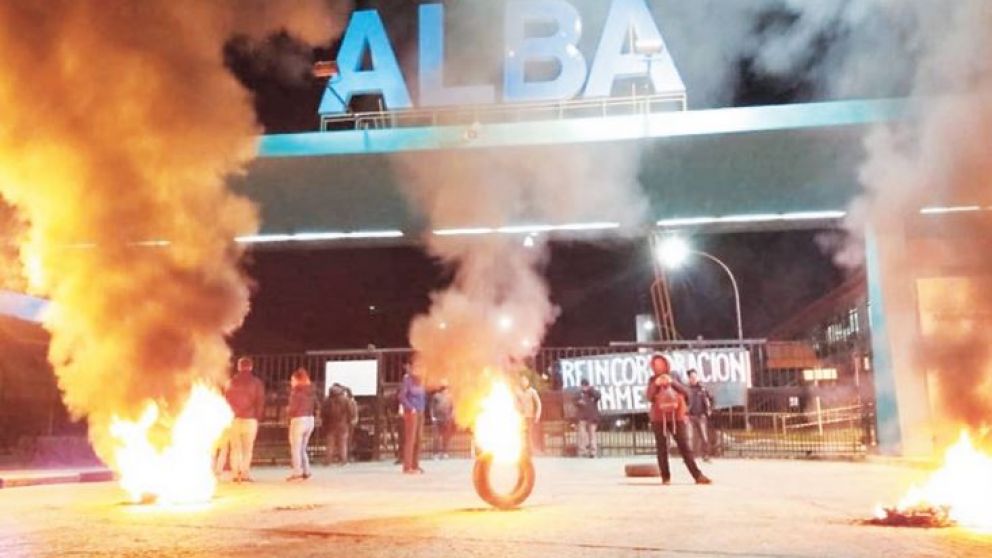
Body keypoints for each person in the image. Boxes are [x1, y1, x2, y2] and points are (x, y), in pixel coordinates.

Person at [645, 353, 711, 485]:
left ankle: (697, 475)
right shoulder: (652, 380)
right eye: (656, 365)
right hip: (659, 419)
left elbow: (687, 392)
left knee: (684, 446)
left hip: (677, 417)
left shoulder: (675, 376)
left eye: (661, 364)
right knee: (662, 448)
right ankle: (665, 477)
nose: (659, 367)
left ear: (666, 364)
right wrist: (656, 385)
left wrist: (672, 382)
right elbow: (649, 396)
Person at [225, 356, 266, 483]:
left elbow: (225, 399)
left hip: (234, 418)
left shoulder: (230, 382)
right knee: (248, 449)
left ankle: (235, 474)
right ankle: (245, 473)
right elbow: (260, 401)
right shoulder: (257, 383)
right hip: (250, 419)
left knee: (235, 448)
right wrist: (258, 417)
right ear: (251, 367)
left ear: (239, 367)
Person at [286, 368, 318, 481]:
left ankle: (297, 472)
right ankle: (306, 470)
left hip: (298, 420)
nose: (291, 382)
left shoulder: (296, 391)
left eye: (292, 380)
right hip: (310, 419)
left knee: (295, 447)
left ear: (298, 380)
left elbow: (293, 408)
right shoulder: (311, 391)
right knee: (303, 447)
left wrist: (288, 411)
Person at [398, 365, 427, 474]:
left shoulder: (422, 380)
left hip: (420, 411)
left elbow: (423, 397)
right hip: (411, 412)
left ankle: (416, 465)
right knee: (411, 439)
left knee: (419, 439)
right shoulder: (407, 380)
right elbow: (401, 396)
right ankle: (407, 466)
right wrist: (410, 408)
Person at [322, 383, 358, 465]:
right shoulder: (345, 399)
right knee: (343, 444)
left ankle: (328, 461)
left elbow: (323, 413)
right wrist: (349, 420)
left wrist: (325, 422)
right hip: (343, 424)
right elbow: (350, 411)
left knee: (330, 443)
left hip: (330, 424)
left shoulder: (327, 400)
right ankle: (343, 461)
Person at [686, 369, 716, 462]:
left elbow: (711, 399)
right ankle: (689, 457)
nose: (693, 379)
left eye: (695, 377)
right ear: (689, 378)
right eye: (691, 377)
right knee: (689, 438)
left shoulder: (703, 389)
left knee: (704, 437)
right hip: (690, 416)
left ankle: (705, 455)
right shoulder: (686, 389)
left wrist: (709, 410)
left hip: (701, 416)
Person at [574, 379, 601, 458]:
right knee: (582, 435)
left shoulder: (593, 392)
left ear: (588, 385)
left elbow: (598, 396)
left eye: (586, 385)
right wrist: (579, 401)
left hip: (592, 417)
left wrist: (590, 390)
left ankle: (593, 452)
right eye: (583, 385)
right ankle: (582, 452)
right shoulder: (579, 393)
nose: (584, 387)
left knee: (592, 435)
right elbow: (574, 400)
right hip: (582, 417)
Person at [518, 375, 543, 455]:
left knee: (529, 434)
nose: (523, 382)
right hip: (521, 416)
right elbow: (515, 403)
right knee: (521, 434)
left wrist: (537, 415)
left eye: (525, 380)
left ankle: (530, 451)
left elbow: (538, 403)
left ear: (528, 382)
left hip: (530, 416)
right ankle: (522, 450)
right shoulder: (518, 392)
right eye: (522, 380)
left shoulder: (532, 391)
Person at [430, 381, 454, 459]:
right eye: (444, 387)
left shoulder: (450, 397)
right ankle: (435, 453)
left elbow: (452, 407)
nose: (445, 389)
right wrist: (433, 417)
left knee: (446, 437)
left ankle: (445, 452)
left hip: (447, 419)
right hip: (437, 419)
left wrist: (451, 416)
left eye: (446, 387)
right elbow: (432, 407)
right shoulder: (436, 396)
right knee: (436, 437)